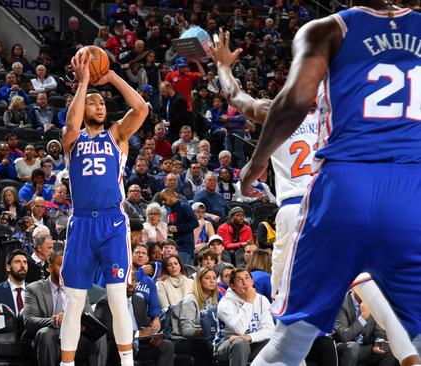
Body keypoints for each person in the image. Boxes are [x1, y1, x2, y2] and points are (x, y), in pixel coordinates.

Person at [222, 4, 421, 360]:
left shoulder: (284, 98)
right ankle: (409, 354)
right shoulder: (340, 107)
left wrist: (223, 68)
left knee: (292, 333)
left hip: (320, 205)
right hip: (406, 189)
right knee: (374, 290)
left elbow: (242, 98)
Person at [60, 51, 148, 366]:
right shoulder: (73, 139)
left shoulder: (117, 135)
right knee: (74, 301)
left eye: (102, 103)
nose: (100, 106)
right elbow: (71, 122)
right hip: (81, 223)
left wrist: (109, 76)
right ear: (83, 107)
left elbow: (141, 108)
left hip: (112, 223)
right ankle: (66, 364)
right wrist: (84, 83)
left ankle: (127, 363)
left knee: (116, 295)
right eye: (93, 103)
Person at [22, 248, 106, 366]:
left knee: (98, 336)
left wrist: (72, 319)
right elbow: (29, 321)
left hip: (75, 338)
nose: (66, 269)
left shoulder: (79, 289)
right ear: (50, 267)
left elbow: (89, 317)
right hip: (52, 336)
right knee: (46, 333)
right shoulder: (33, 289)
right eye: (61, 265)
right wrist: (55, 321)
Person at [94, 270, 175, 366]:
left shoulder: (139, 301)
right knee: (128, 346)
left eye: (133, 280)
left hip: (139, 345)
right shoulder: (106, 302)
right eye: (127, 281)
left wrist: (152, 338)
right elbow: (107, 331)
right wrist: (137, 334)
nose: (131, 284)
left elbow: (145, 327)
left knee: (167, 345)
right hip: (116, 346)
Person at [214, 268, 274, 366]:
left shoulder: (262, 300)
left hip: (251, 342)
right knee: (240, 342)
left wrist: (249, 337)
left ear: (252, 281)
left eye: (247, 278)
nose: (245, 282)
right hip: (225, 344)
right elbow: (239, 329)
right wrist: (249, 301)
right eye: (239, 280)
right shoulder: (225, 303)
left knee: (272, 342)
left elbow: (270, 330)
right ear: (232, 285)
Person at [334, 290, 396, 366]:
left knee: (389, 348)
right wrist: (363, 318)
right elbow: (344, 337)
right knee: (353, 347)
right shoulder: (341, 302)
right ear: (354, 287)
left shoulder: (373, 303)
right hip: (344, 347)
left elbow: (378, 331)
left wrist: (378, 343)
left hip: (364, 348)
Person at [171, 267, 219, 365]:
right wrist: (205, 332)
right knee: (209, 347)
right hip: (182, 341)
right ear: (199, 281)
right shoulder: (190, 301)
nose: (212, 281)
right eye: (207, 278)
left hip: (204, 339)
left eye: (214, 278)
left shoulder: (213, 301)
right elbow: (186, 331)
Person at [160, 188, 199, 265]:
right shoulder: (169, 210)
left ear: (172, 196)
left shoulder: (184, 206)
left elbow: (195, 223)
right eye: (161, 200)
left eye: (164, 199)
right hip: (176, 245)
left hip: (185, 246)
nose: (163, 202)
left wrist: (178, 228)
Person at [0, 249, 28, 317]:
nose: (23, 265)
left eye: (25, 262)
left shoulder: (34, 291)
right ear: (8, 267)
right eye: (17, 262)